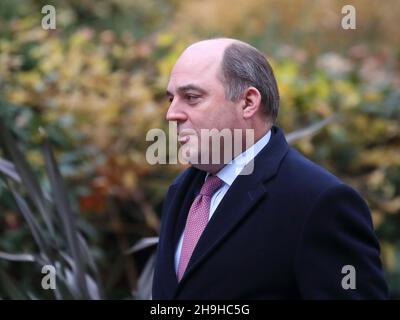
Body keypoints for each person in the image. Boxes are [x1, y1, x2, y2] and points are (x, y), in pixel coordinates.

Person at [152, 38, 388, 299]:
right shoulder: (182, 191)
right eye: (171, 98)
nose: (172, 113)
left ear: (248, 102)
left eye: (192, 97)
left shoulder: (319, 202)